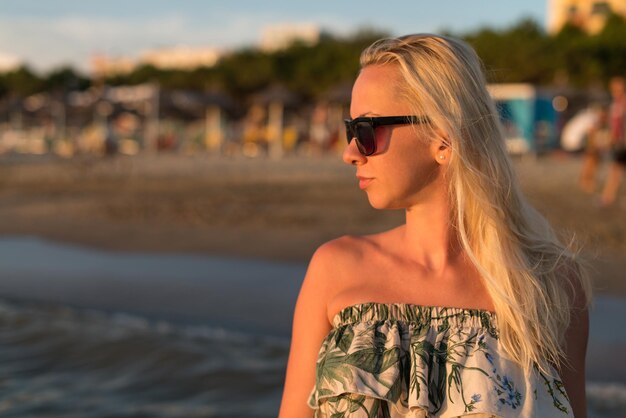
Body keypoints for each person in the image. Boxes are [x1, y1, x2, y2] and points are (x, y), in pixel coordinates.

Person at [278, 34, 591, 418]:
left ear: (442, 139)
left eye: (366, 131)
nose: (350, 153)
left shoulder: (550, 284)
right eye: (350, 129)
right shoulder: (335, 270)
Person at [599, 76, 626, 206]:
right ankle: (608, 196)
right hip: (619, 142)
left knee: (615, 169)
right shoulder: (617, 103)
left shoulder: (621, 103)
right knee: (615, 169)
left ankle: (608, 197)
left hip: (622, 142)